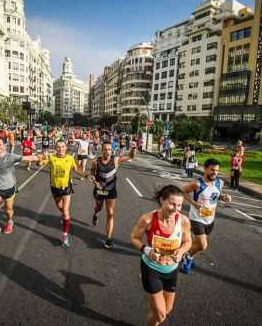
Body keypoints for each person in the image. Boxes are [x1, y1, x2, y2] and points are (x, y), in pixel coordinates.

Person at [130, 185, 192, 326]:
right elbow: (134, 237)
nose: (175, 209)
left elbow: (188, 241)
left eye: (179, 205)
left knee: (164, 311)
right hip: (151, 269)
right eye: (172, 204)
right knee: (161, 313)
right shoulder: (148, 219)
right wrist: (147, 250)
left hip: (171, 270)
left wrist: (181, 251)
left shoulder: (183, 221)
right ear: (162, 200)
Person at [180, 158, 231, 274]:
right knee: (203, 245)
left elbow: (216, 195)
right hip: (196, 218)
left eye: (217, 170)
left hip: (210, 219)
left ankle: (188, 255)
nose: (215, 173)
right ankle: (187, 258)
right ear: (205, 169)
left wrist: (224, 197)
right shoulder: (197, 184)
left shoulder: (220, 182)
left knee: (197, 244)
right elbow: (183, 191)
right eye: (212, 170)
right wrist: (193, 203)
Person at [41, 140, 93, 247]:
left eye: (63, 146)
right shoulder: (51, 157)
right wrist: (40, 160)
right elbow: (40, 163)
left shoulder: (69, 158)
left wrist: (86, 175)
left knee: (65, 210)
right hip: (55, 188)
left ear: (66, 148)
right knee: (60, 208)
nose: (60, 149)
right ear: (55, 148)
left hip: (66, 188)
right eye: (58, 147)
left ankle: (65, 235)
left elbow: (76, 169)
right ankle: (65, 217)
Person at [91, 140, 136, 249]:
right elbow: (92, 174)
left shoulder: (116, 160)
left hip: (111, 191)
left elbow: (130, 156)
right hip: (100, 190)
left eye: (109, 149)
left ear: (112, 150)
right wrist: (95, 181)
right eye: (105, 150)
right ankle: (95, 214)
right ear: (102, 150)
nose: (107, 152)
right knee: (99, 207)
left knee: (110, 213)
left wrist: (133, 148)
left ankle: (108, 239)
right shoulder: (95, 162)